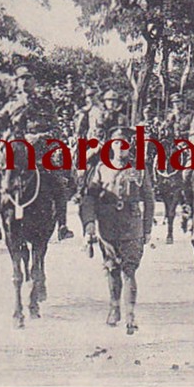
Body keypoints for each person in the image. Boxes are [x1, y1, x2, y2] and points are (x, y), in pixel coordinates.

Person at [80, 126, 154, 334]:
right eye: (116, 143)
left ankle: (130, 314)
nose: (120, 148)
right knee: (112, 268)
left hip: (132, 227)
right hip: (108, 227)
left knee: (129, 270)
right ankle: (114, 307)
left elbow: (149, 199)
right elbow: (89, 198)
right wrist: (89, 224)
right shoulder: (101, 169)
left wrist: (147, 228)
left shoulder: (139, 169)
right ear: (110, 146)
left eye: (124, 144)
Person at [0, 64, 74, 241]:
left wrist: (40, 137)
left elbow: (57, 131)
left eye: (28, 78)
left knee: (59, 182)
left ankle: (62, 225)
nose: (25, 82)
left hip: (41, 155)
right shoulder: (11, 105)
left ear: (34, 81)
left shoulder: (46, 104)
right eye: (21, 78)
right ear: (16, 82)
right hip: (17, 155)